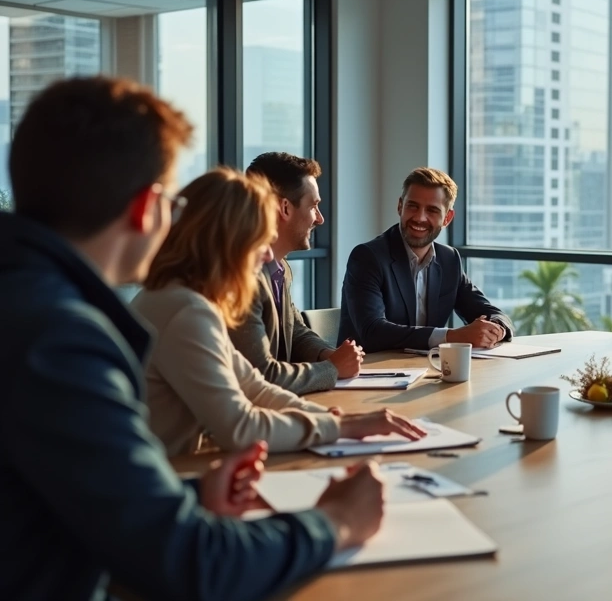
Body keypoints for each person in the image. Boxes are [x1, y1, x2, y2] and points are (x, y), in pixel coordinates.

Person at [0, 76, 386, 600]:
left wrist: (192, 491)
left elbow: (63, 492)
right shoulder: (60, 337)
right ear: (145, 208)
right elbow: (193, 563)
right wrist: (335, 522)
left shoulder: (30, 301)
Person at [132, 168, 427, 456]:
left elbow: (254, 387)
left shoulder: (189, 301)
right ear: (227, 242)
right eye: (260, 240)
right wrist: (339, 428)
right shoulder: (186, 311)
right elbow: (240, 428)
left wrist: (334, 419)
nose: (268, 254)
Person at [229, 152, 363, 395]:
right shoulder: (242, 278)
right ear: (285, 208)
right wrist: (332, 368)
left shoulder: (281, 268)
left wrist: (329, 354)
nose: (320, 219)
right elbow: (261, 375)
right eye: (313, 206)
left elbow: (295, 331)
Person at [339, 166, 513, 353]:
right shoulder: (367, 257)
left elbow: (491, 312)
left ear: (447, 218)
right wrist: (453, 337)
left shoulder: (449, 260)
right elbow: (373, 331)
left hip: (424, 371)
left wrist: (496, 330)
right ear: (400, 206)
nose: (420, 217)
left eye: (432, 210)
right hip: (369, 372)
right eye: (412, 206)